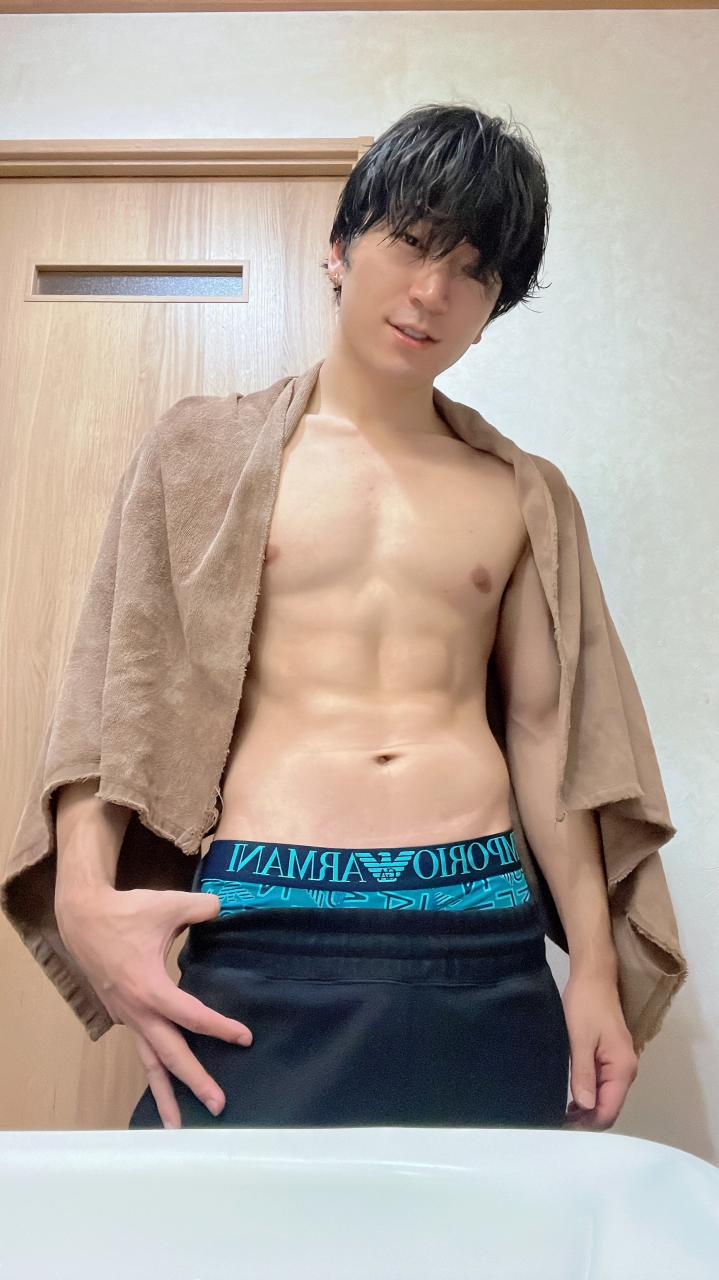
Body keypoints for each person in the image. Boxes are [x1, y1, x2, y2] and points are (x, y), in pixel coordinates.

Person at [53, 102, 639, 1132]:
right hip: (261, 922)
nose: (432, 291)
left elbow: (550, 735)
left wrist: (591, 965)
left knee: (484, 1221)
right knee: (217, 1216)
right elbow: (119, 682)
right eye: (409, 242)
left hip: (481, 935)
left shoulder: (521, 493)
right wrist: (82, 897)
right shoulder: (202, 453)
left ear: (492, 306)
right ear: (339, 247)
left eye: (473, 271)